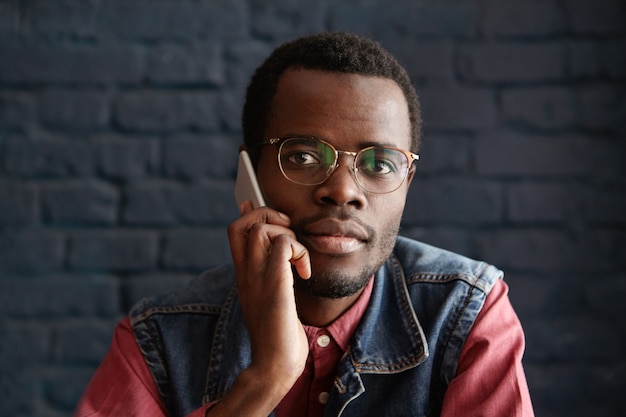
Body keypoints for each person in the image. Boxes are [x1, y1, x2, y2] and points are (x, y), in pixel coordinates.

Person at [74, 32, 534, 417]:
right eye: (303, 156)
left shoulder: (466, 316)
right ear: (248, 174)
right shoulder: (158, 342)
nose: (343, 191)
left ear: (407, 181)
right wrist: (266, 377)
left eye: (380, 163)